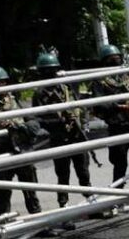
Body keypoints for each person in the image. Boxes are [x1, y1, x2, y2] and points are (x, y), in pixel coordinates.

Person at [0, 64, 44, 218]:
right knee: (3, 191)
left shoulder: (12, 99)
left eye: (2, 82)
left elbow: (30, 118)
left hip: (21, 147)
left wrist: (24, 128)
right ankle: (4, 226)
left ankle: (38, 221)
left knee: (30, 188)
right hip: (1, 150)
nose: (0, 85)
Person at [32, 51, 91, 218]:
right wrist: (58, 122)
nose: (51, 74)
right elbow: (37, 119)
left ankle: (91, 203)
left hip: (76, 135)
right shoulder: (40, 94)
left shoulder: (66, 88)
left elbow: (82, 106)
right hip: (59, 138)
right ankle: (63, 208)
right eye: (47, 71)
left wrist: (83, 124)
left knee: (84, 173)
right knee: (63, 176)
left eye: (53, 70)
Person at [92, 44, 129, 189]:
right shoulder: (100, 81)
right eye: (112, 59)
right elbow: (99, 104)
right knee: (119, 162)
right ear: (105, 61)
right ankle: (118, 190)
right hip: (116, 126)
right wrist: (121, 106)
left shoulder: (127, 76)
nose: (116, 61)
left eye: (118, 58)